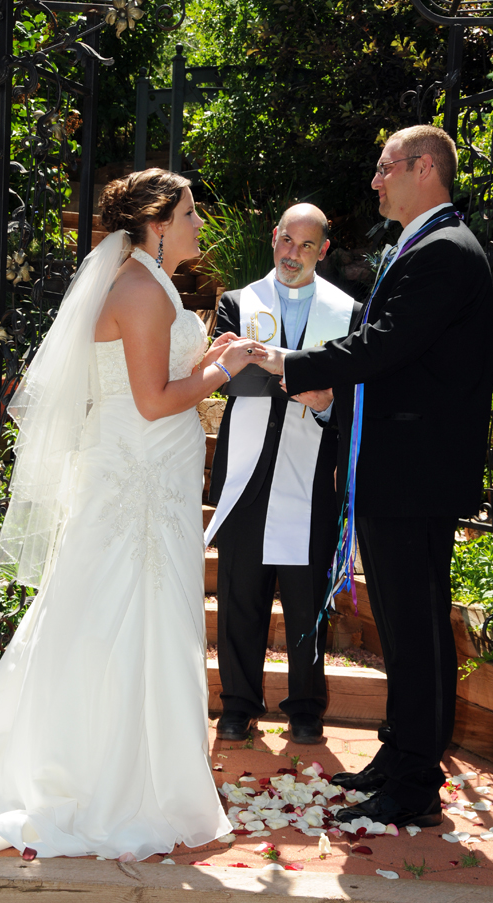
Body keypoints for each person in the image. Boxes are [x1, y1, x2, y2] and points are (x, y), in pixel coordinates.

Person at [0, 168, 267, 864]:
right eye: (190, 211)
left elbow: (152, 381)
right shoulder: (143, 289)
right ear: (156, 221)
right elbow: (152, 400)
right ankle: (110, 782)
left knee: (135, 619)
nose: (200, 223)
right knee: (119, 618)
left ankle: (148, 778)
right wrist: (222, 369)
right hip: (134, 485)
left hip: (150, 479)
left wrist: (208, 358)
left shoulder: (152, 282)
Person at [260, 126, 493, 826]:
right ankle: (400, 751)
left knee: (417, 624)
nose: (374, 180)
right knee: (399, 622)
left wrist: (289, 364)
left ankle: (418, 778)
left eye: (385, 166)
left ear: (425, 168)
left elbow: (384, 345)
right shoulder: (424, 244)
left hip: (415, 473)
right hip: (398, 469)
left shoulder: (447, 252)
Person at [206, 204, 357, 745]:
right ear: (274, 238)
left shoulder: (348, 312)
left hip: (312, 469)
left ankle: (306, 706)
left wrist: (317, 398)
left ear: (323, 251)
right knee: (240, 592)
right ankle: (239, 704)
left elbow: (350, 397)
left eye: (306, 246)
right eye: (286, 241)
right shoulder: (236, 303)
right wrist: (305, 380)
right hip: (246, 470)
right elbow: (229, 381)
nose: (293, 254)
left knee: (304, 592)